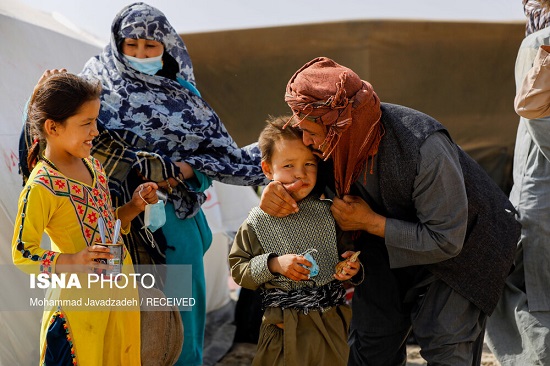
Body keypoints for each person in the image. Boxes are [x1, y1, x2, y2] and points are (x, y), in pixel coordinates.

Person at [19, 3, 267, 365]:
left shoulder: (184, 94)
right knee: (126, 329)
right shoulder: (94, 82)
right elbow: (61, 143)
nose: (139, 54)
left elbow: (215, 157)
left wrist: (180, 170)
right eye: (131, 44)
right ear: (117, 43)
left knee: (178, 326)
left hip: (176, 226)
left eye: (150, 46)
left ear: (166, 45)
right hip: (114, 225)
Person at [259, 57, 521, 365]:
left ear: (339, 125)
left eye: (310, 132)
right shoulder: (324, 137)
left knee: (445, 343)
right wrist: (270, 190)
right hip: (383, 248)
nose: (305, 141)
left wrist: (370, 222)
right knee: (372, 341)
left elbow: (447, 239)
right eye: (300, 129)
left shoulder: (423, 147)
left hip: (465, 245)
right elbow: (272, 152)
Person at [12, 72, 159, 365]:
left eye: (95, 121)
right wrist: (74, 260)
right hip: (78, 310)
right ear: (53, 127)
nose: (95, 131)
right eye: (86, 123)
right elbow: (22, 252)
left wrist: (132, 206)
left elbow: (105, 222)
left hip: (119, 295)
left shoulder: (94, 167)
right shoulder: (41, 187)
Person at [229, 116, 361, 366]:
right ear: (268, 169)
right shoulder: (257, 222)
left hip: (330, 324)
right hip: (282, 329)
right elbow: (238, 270)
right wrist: (274, 264)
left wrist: (351, 268)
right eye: (289, 165)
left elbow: (348, 253)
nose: (301, 173)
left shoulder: (329, 213)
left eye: (309, 164)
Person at [484, 18, 550, 364]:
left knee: (529, 290)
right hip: (537, 186)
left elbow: (537, 116)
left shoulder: (540, 42)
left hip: (541, 188)